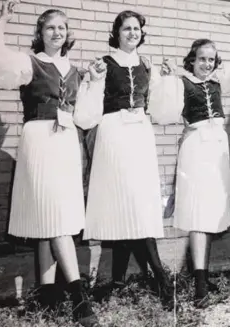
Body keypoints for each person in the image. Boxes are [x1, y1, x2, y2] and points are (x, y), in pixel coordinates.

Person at [0, 1, 98, 325]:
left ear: (68, 33)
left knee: (53, 219)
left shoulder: (77, 71)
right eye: (50, 27)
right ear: (40, 33)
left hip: (64, 144)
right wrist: (3, 19)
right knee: (53, 218)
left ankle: (47, 297)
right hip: (38, 141)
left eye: (62, 27)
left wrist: (95, 82)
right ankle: (78, 298)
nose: (57, 32)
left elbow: (86, 116)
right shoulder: (29, 63)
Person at [147, 12, 230, 308]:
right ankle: (200, 289)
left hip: (217, 150)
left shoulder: (220, 81)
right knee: (199, 215)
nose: (207, 64)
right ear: (192, 60)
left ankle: (201, 277)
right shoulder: (182, 82)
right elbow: (161, 113)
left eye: (211, 59)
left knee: (210, 213)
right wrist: (165, 77)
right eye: (202, 59)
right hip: (196, 148)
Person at [74, 10, 174, 309]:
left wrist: (167, 81)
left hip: (140, 135)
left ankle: (140, 279)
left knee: (138, 205)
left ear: (142, 33)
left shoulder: (147, 65)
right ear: (116, 33)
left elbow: (160, 109)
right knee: (121, 204)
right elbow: (88, 111)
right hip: (113, 134)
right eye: (126, 28)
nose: (132, 33)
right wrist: (91, 81)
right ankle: (154, 279)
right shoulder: (104, 64)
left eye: (137, 29)